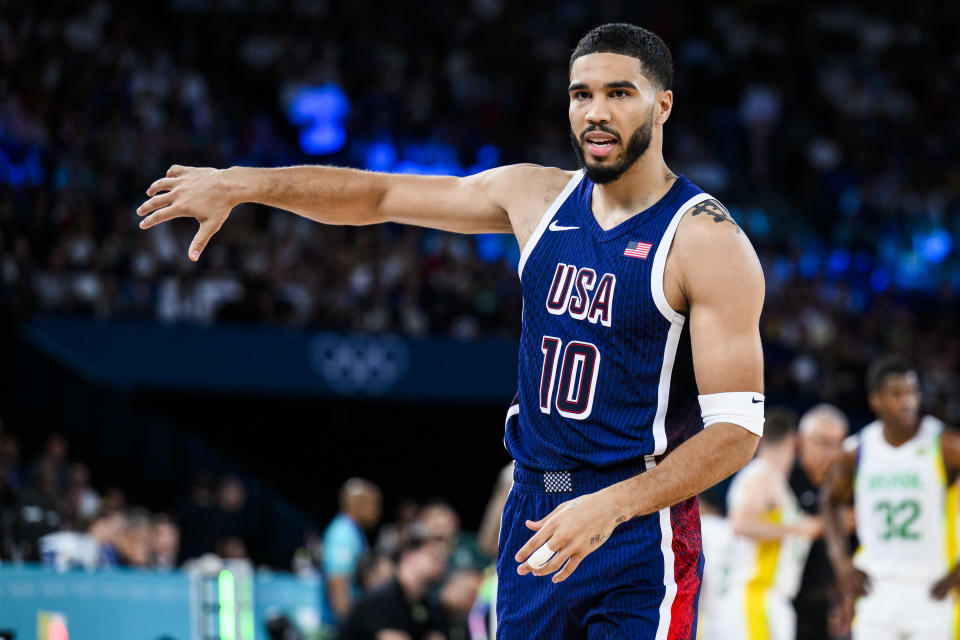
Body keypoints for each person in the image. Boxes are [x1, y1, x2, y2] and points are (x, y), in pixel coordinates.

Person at [138, 23, 765, 638]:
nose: (596, 112)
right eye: (582, 94)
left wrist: (615, 503)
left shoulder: (704, 239)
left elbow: (737, 431)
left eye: (619, 93)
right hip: (534, 514)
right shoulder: (535, 197)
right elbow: (379, 196)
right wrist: (248, 183)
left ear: (663, 104)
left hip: (636, 528)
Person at [822, 355, 960, 639]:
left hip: (933, 586)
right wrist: (841, 562)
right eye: (896, 394)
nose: (908, 401)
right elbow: (829, 500)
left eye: (912, 392)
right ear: (876, 401)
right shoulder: (858, 450)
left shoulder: (943, 443)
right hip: (876, 587)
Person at [717, 408, 820, 640]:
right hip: (757, 596)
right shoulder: (762, 474)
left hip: (767, 599)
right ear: (796, 441)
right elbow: (741, 524)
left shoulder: (769, 477)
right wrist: (796, 527)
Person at [789, 404, 849, 640]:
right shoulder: (783, 479)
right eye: (823, 443)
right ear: (800, 441)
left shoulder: (848, 485)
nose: (832, 452)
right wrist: (834, 523)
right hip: (789, 601)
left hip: (832, 605)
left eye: (838, 444)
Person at [336, 532, 448, 640]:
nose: (440, 562)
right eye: (433, 555)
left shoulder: (430, 606)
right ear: (409, 555)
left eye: (443, 559)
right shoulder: (381, 599)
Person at [322, 478, 383, 625]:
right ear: (358, 504)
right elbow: (338, 585)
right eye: (374, 504)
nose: (377, 510)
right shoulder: (343, 533)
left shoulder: (355, 533)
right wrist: (350, 629)